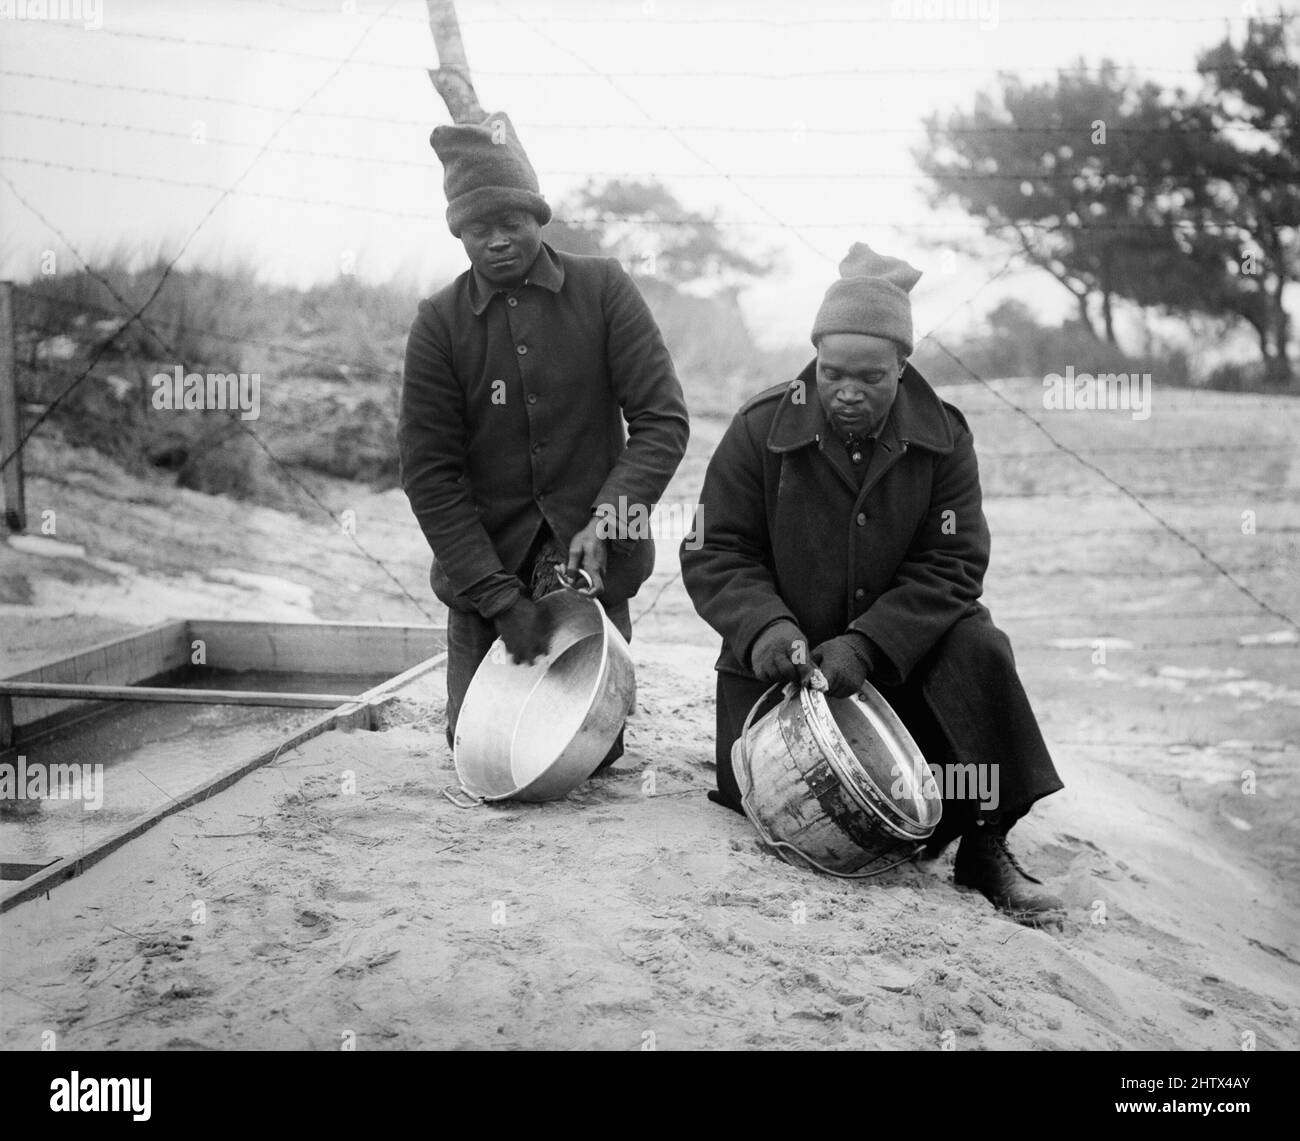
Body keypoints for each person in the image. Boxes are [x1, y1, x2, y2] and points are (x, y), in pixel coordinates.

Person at [679, 242, 1065, 925]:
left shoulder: (943, 437)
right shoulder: (760, 429)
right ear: (814, 363)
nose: (848, 393)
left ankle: (985, 844)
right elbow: (715, 549)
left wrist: (868, 643)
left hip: (893, 681)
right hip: (779, 682)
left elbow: (953, 564)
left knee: (979, 642)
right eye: (832, 374)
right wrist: (764, 625)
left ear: (902, 367)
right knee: (781, 802)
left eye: (870, 377)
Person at [399, 112, 689, 765]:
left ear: (540, 219)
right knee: (478, 749)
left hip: (591, 576)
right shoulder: (439, 325)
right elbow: (431, 474)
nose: (497, 241)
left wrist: (609, 520)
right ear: (458, 233)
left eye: (512, 224)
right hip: (487, 577)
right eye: (478, 229)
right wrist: (499, 597)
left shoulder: (603, 290)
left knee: (591, 752)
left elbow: (662, 419)